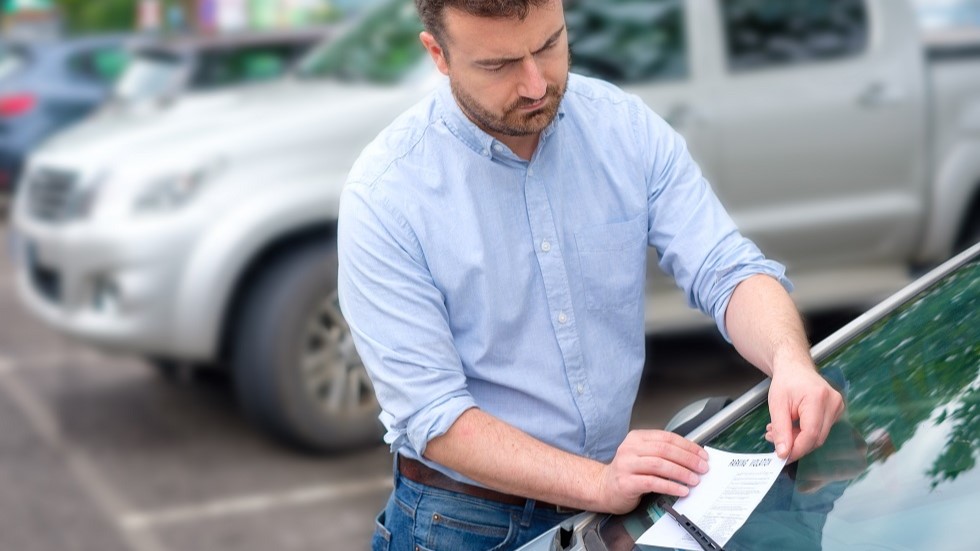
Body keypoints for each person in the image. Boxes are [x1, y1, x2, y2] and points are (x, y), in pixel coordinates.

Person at [337, 1, 844, 549]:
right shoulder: (386, 194)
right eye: (499, 65)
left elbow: (726, 268)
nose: (536, 84)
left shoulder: (623, 127)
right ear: (438, 53)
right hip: (460, 523)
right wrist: (600, 483)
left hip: (607, 506)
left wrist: (790, 363)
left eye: (549, 45)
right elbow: (433, 416)